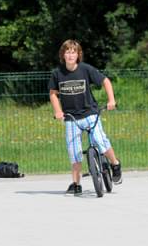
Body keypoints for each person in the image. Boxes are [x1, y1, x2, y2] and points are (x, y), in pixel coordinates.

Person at [48, 39, 122, 195]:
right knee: (74, 152)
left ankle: (115, 164)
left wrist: (111, 100)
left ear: (78, 54)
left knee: (100, 141)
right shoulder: (57, 73)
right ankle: (76, 184)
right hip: (71, 118)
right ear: (63, 55)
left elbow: (105, 81)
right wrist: (58, 111)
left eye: (73, 52)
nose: (70, 55)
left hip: (90, 114)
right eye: (67, 52)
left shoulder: (85, 69)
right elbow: (53, 94)